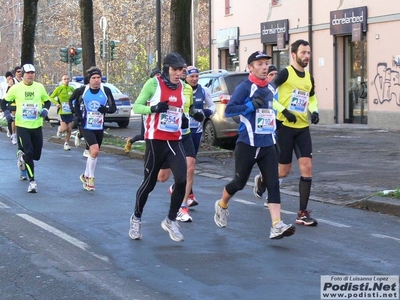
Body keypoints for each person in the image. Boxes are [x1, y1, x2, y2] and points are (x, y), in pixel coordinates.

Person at [213, 51, 296, 240]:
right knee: (239, 183)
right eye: (259, 64)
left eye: (266, 63)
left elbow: (271, 111)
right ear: (250, 67)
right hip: (247, 143)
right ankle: (222, 205)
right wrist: (250, 106)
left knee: (273, 184)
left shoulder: (271, 88)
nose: (264, 67)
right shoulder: (245, 87)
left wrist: (275, 131)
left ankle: (276, 225)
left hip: (267, 143)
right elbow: (230, 111)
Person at [254, 39, 319, 226]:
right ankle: (263, 179)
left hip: (302, 128)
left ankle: (302, 213)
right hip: (284, 127)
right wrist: (283, 111)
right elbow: (268, 94)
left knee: (307, 167)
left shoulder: (309, 78)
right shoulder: (285, 74)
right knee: (283, 171)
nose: (307, 56)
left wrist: (314, 111)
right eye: (303, 53)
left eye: (308, 52)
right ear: (293, 55)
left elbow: (312, 97)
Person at [129, 52, 187, 242]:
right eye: (174, 70)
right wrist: (152, 109)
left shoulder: (183, 87)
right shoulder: (153, 84)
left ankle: (171, 220)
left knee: (181, 180)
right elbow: (136, 107)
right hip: (155, 142)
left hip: (174, 141)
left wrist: (186, 118)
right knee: (149, 183)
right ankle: (136, 218)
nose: (178, 73)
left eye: (181, 70)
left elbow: (179, 111)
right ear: (166, 69)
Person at [157, 66, 205, 222]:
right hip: (168, 136)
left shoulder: (188, 90)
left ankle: (182, 207)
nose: (183, 71)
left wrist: (195, 113)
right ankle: (174, 187)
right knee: (162, 177)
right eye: (180, 69)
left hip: (185, 134)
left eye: (184, 69)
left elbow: (189, 108)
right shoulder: (162, 87)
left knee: (190, 168)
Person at [1, 64, 51, 193]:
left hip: (36, 125)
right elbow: (3, 102)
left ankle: (21, 155)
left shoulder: (39, 87)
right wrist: (7, 114)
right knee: (29, 152)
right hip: (22, 126)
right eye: (28, 73)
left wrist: (45, 110)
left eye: (32, 73)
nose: (30, 75)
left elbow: (47, 101)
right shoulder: (16, 88)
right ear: (22, 74)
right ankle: (32, 181)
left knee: (36, 155)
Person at [73, 67, 116, 191]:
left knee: (94, 153)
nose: (97, 80)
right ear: (89, 79)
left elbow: (113, 108)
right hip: (86, 125)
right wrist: (78, 116)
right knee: (95, 150)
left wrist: (106, 109)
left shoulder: (106, 90)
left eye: (99, 78)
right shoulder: (83, 90)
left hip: (99, 126)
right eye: (94, 78)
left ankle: (85, 175)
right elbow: (75, 104)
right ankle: (91, 178)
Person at [253, 64, 278, 203]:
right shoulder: (261, 90)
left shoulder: (276, 89)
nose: (274, 77)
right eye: (271, 75)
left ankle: (270, 196)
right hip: (262, 133)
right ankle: (262, 181)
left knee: (278, 165)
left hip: (278, 128)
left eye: (276, 74)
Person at [124, 68, 161, 153]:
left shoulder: (162, 86)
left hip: (157, 115)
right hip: (146, 114)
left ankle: (132, 142)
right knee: (145, 135)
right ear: (152, 77)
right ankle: (131, 142)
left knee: (146, 136)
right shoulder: (150, 85)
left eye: (160, 75)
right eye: (157, 75)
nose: (159, 77)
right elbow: (139, 104)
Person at [49, 74, 75, 150]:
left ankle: (66, 143)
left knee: (70, 129)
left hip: (69, 112)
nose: (66, 80)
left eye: (68, 79)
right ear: (62, 80)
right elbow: (51, 97)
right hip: (62, 112)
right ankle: (60, 130)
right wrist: (57, 103)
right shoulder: (59, 88)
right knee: (64, 129)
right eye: (65, 79)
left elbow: (75, 97)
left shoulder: (71, 88)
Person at [2, 71, 17, 145]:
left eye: (11, 77)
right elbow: (5, 94)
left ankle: (12, 131)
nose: (10, 79)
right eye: (8, 77)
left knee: (13, 118)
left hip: (13, 103)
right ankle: (11, 132)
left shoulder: (15, 85)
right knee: (10, 117)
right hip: (5, 101)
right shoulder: (3, 84)